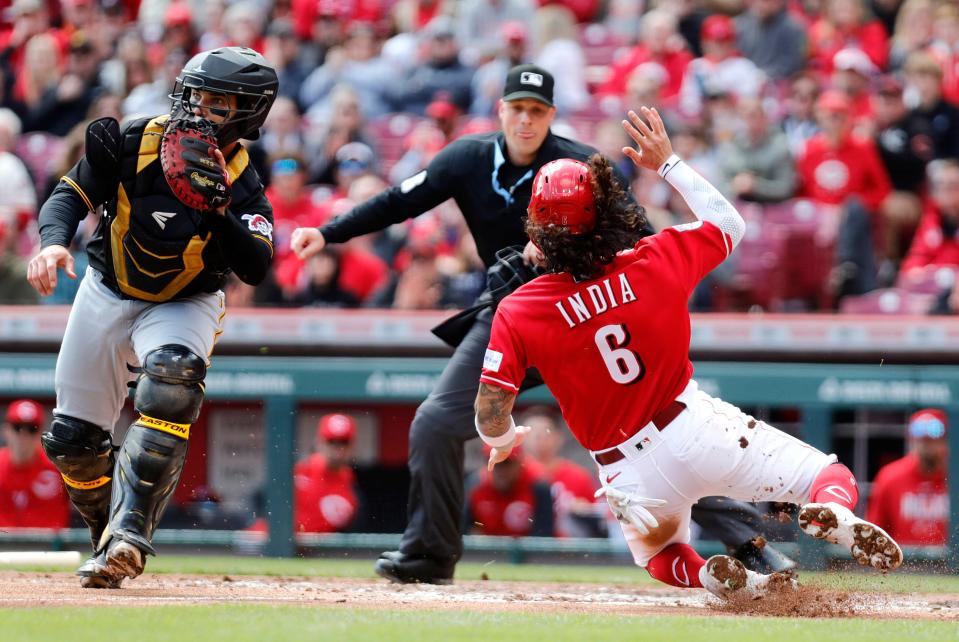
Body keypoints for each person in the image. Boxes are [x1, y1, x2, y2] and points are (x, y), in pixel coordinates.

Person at [474, 105, 903, 600]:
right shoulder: (654, 259)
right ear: (606, 212)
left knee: (661, 557)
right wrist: (669, 162)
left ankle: (718, 579)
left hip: (626, 470)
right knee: (828, 476)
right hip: (695, 428)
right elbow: (728, 223)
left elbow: (489, 413)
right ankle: (837, 513)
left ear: (537, 228)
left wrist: (505, 438)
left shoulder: (520, 308)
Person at [291, 63, 641, 584]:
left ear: (551, 116)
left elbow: (640, 237)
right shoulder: (468, 159)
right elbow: (399, 201)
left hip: (577, 320)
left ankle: (744, 542)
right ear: (500, 109)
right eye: (517, 108)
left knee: (649, 428)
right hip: (507, 317)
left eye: (537, 111)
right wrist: (329, 231)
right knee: (434, 425)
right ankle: (431, 554)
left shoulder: (577, 166)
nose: (526, 120)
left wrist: (562, 244)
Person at [25, 46, 278, 589]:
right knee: (72, 442)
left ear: (247, 114)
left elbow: (256, 266)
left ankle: (130, 535)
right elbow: (67, 195)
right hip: (105, 288)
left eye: (216, 102)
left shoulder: (245, 180)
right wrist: (51, 245)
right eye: (194, 95)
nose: (198, 109)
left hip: (186, 300)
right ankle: (103, 537)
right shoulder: (130, 139)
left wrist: (219, 210)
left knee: (170, 384)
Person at [866, 409, 949, 546]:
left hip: (951, 564)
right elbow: (874, 532)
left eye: (933, 436)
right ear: (910, 438)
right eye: (920, 436)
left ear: (945, 440)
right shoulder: (890, 476)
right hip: (902, 563)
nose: (926, 443)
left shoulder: (954, 477)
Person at [0, 399, 69, 529]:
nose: (24, 435)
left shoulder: (58, 466)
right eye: (17, 427)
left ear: (40, 434)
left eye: (31, 429)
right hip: (3, 546)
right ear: (6, 430)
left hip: (50, 547)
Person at [465, 445, 554, 538]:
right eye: (495, 464)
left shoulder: (537, 486)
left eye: (507, 463)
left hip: (524, 550)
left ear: (519, 463)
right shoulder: (475, 486)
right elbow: (465, 529)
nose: (501, 470)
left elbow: (543, 534)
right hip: (488, 551)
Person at [294, 413, 361, 533]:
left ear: (352, 447)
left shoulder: (352, 485)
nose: (337, 449)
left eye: (343, 442)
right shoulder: (299, 471)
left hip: (317, 550)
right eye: (331, 442)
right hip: (272, 545)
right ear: (319, 442)